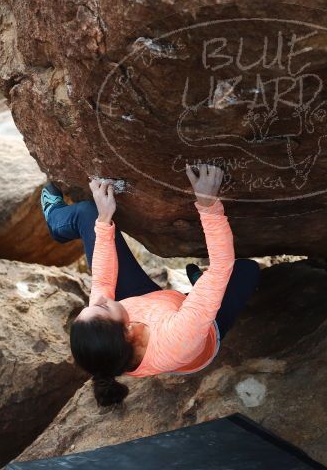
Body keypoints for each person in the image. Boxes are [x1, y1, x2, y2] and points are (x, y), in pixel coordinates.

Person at [40, 164, 260, 406]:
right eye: (101, 307)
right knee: (245, 270)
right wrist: (208, 204)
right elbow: (221, 266)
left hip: (151, 304)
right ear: (129, 330)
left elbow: (103, 281)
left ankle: (55, 221)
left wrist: (104, 218)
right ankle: (201, 295)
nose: (99, 299)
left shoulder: (107, 328)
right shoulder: (177, 338)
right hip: (199, 329)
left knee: (88, 214)